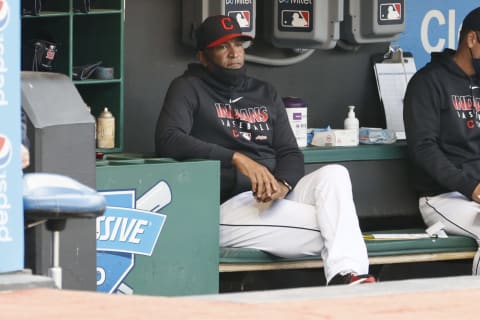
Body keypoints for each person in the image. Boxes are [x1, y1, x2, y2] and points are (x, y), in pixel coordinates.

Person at [155, 15, 375, 285]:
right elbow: (168, 138)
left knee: (335, 175)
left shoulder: (263, 92)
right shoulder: (189, 88)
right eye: (223, 47)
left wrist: (282, 184)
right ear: (203, 56)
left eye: (238, 44)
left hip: (272, 199)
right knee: (335, 229)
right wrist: (236, 159)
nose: (234, 53)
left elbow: (290, 153)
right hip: (227, 206)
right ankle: (349, 280)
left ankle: (348, 279)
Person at [403, 7, 480, 275]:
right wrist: (472, 187)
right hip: (444, 196)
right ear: (472, 40)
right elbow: (424, 149)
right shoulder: (428, 82)